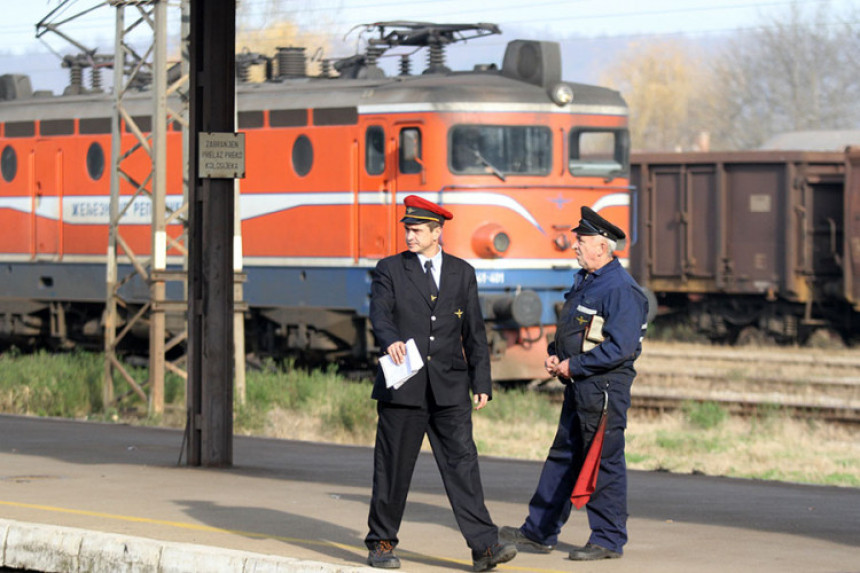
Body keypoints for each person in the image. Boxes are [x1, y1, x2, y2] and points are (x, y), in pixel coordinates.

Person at [364, 195, 517, 571]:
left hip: (450, 389)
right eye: (407, 229)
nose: (409, 236)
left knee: (463, 466)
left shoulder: (462, 273)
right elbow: (379, 314)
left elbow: (474, 331)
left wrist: (482, 380)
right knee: (394, 467)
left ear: (437, 232)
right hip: (404, 388)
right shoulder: (390, 270)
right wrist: (390, 340)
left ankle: (485, 547)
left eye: (416, 230)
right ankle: (382, 543)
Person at [500, 206, 648, 561]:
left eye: (581, 241)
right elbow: (577, 331)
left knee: (603, 462)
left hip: (603, 389)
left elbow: (621, 348)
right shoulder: (589, 280)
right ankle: (539, 532)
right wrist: (556, 354)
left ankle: (608, 540)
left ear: (601, 246)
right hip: (581, 384)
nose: (574, 246)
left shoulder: (621, 289)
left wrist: (574, 365)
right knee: (563, 457)